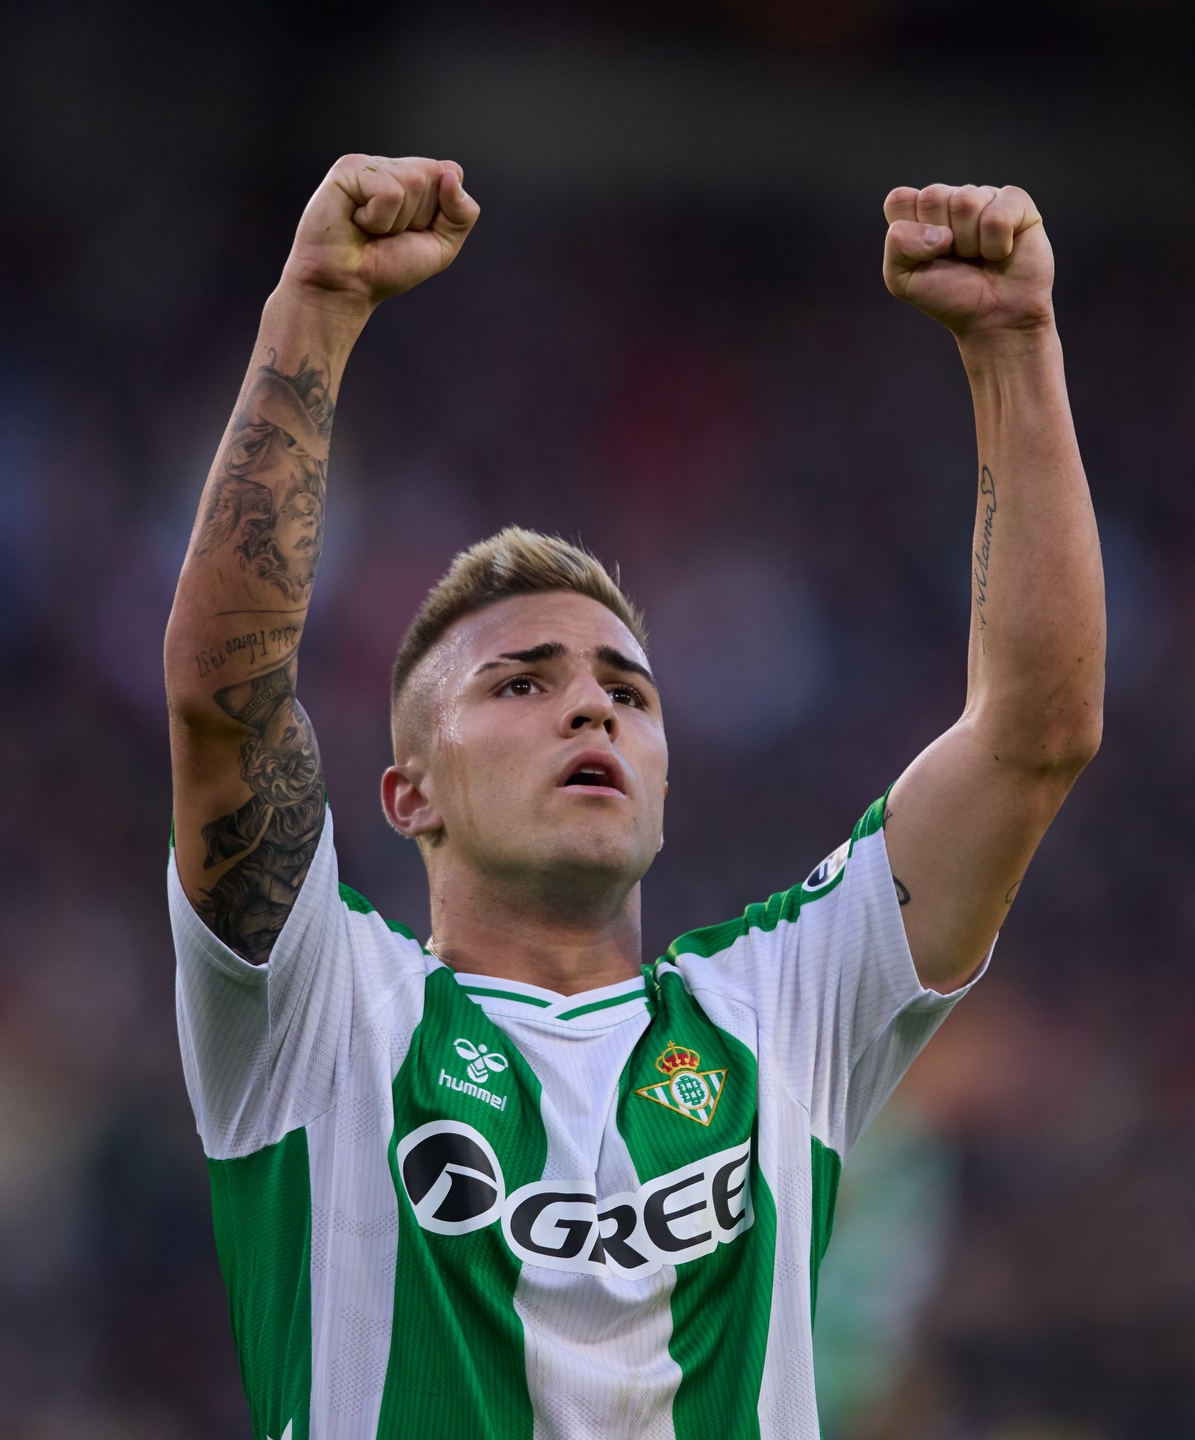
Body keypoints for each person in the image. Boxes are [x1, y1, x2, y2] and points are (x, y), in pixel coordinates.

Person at [164, 155, 1104, 1440]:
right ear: (407, 794)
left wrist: (1015, 346)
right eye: (521, 683)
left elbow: (1034, 737)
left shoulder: (779, 1015)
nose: (590, 707)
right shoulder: (322, 1014)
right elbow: (226, 701)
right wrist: (315, 306)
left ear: (663, 774)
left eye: (627, 690)